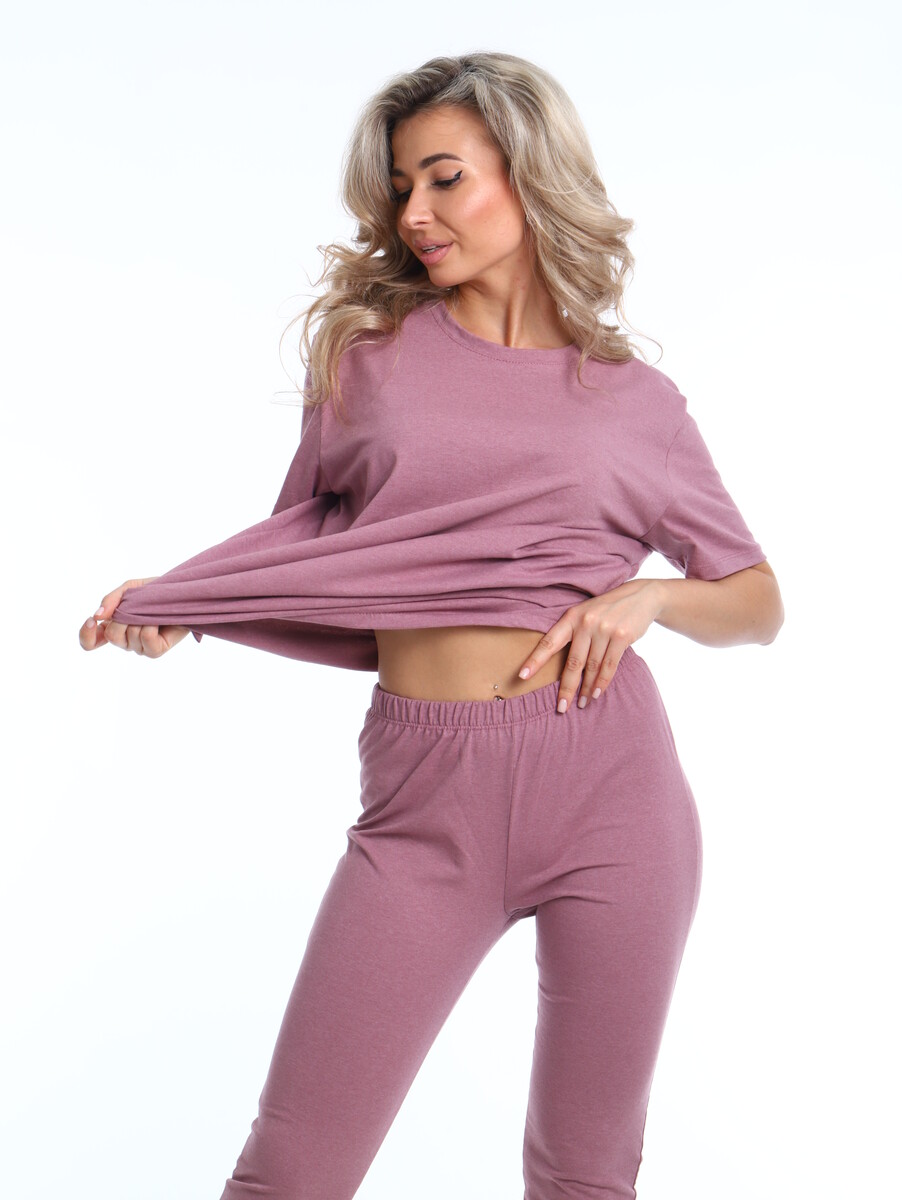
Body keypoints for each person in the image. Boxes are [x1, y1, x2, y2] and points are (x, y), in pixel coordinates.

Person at [79, 52, 784, 1200]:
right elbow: (316, 540)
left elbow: (756, 600)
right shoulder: (370, 360)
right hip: (422, 802)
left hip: (612, 788)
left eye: (444, 178)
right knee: (292, 1170)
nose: (414, 213)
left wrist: (650, 598)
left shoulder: (636, 405)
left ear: (528, 172)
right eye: (402, 186)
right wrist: (193, 604)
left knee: (584, 1175)